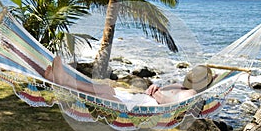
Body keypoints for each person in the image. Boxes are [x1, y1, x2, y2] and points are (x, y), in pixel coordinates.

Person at [44, 56, 213, 105]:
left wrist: (158, 93)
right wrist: (153, 89)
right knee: (107, 90)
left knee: (107, 94)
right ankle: (61, 79)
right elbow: (156, 93)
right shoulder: (181, 86)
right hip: (142, 99)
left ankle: (64, 80)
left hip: (143, 108)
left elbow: (169, 102)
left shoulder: (190, 92)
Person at [145, 65, 213, 104]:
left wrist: (154, 91)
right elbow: (169, 102)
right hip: (147, 102)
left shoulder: (183, 88)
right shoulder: (190, 92)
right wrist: (154, 90)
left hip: (146, 101)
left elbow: (169, 102)